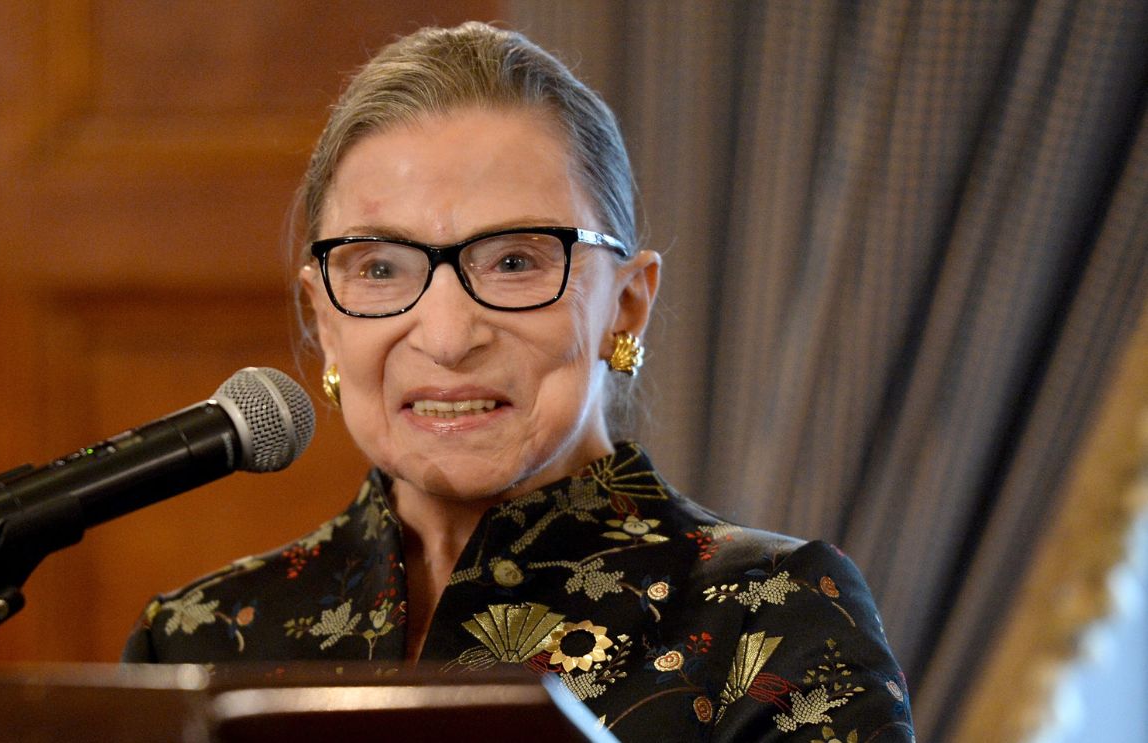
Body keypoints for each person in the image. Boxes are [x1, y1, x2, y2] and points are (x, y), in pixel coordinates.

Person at [123, 21, 915, 742]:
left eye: (512, 262)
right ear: (324, 319)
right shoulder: (199, 636)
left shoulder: (773, 615)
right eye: (378, 268)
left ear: (627, 305)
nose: (444, 336)